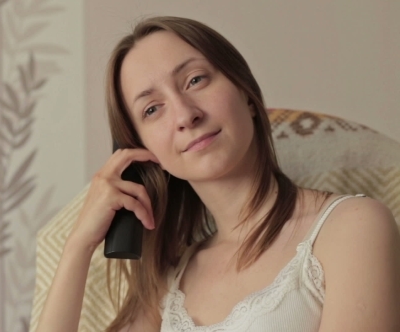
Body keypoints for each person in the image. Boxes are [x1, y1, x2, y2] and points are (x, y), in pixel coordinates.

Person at [36, 16, 400, 332]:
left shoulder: (352, 226)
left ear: (245, 92)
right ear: (144, 152)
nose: (184, 115)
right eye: (152, 109)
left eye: (195, 80)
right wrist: (78, 245)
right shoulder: (169, 283)